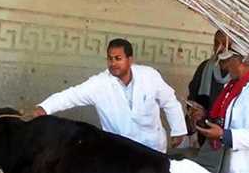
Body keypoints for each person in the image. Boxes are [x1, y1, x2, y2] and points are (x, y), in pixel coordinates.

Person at [33, 38, 187, 153]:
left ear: (130, 60)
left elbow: (170, 102)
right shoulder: (99, 84)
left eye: (118, 58)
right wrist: (45, 108)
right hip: (119, 150)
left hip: (153, 147)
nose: (113, 63)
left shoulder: (149, 76)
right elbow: (71, 95)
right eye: (110, 58)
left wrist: (178, 130)